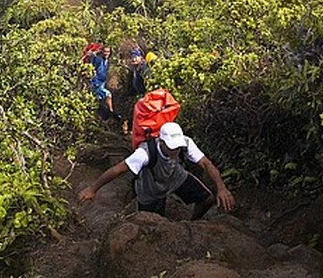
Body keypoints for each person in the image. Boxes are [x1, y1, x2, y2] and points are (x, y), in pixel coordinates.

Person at [78, 122, 235, 220]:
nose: (175, 151)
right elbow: (118, 169)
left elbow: (206, 163)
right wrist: (93, 189)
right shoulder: (145, 153)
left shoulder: (186, 143)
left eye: (177, 147)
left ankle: (192, 223)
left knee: (207, 199)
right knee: (152, 222)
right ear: (162, 142)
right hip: (150, 188)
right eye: (172, 147)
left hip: (175, 177)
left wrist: (221, 187)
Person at [86, 43, 122, 122]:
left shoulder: (107, 61)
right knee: (108, 95)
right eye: (105, 51)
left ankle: (104, 117)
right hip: (96, 83)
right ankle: (111, 112)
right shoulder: (98, 59)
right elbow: (92, 63)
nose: (106, 53)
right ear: (102, 52)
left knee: (100, 101)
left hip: (102, 83)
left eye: (108, 52)